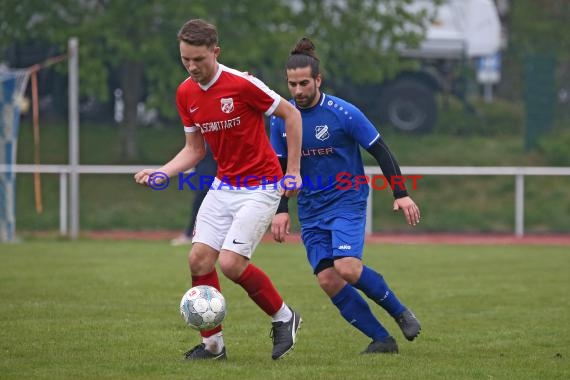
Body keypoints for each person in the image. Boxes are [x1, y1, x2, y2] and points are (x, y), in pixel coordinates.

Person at [134, 19, 304, 361]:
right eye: (186, 60)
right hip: (224, 185)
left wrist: (294, 171)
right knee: (198, 258)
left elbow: (291, 115)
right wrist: (163, 173)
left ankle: (284, 317)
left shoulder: (242, 84)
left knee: (230, 263)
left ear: (216, 52)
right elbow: (195, 150)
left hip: (262, 185)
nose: (193, 67)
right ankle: (213, 346)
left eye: (199, 59)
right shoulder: (185, 93)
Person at [270, 37, 421, 354]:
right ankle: (382, 340)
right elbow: (281, 167)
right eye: (291, 84)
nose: (297, 91)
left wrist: (401, 193)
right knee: (328, 280)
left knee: (348, 267)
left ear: (318, 80)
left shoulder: (343, 113)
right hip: (310, 210)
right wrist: (282, 209)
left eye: (303, 83)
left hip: (347, 200)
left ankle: (401, 313)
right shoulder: (281, 119)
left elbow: (381, 150)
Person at [171, 143, 217, 246]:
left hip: (218, 176)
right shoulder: (201, 139)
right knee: (199, 205)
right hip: (203, 175)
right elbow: (193, 152)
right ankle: (190, 234)